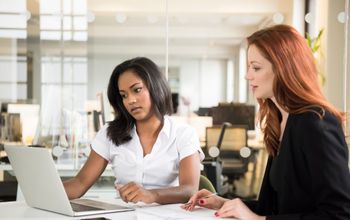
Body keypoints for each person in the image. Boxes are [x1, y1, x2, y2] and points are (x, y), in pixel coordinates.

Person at [183, 24, 350, 219]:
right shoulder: (280, 120)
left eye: (256, 67)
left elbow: (339, 214)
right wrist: (223, 203)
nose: (247, 76)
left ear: (284, 69)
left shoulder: (316, 123)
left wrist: (256, 219)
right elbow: (273, 207)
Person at [64, 57, 204, 204]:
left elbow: (189, 190)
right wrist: (40, 194)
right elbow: (79, 184)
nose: (130, 100)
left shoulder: (183, 134)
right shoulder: (110, 133)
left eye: (137, 90)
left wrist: (152, 195)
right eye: (124, 95)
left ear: (155, 87)